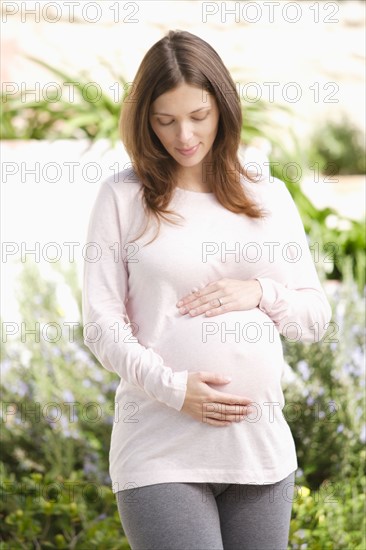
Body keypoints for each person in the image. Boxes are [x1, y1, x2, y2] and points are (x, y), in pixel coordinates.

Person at [82, 29, 332, 550]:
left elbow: (315, 317)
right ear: (144, 120)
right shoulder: (123, 197)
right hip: (160, 448)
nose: (184, 136)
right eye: (165, 120)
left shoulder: (269, 194)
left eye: (199, 116)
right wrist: (175, 389)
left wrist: (261, 292)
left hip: (259, 452)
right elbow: (103, 326)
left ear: (223, 107)